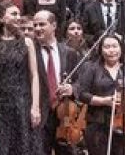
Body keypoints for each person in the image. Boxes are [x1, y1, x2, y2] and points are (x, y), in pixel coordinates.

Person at [0, 2, 43, 155]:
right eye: (13, 14)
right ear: (1, 17)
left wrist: (35, 106)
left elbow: (34, 76)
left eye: (19, 14)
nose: (18, 17)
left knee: (22, 145)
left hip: (21, 102)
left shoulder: (27, 43)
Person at [75, 33, 125, 155]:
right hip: (98, 123)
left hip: (124, 124)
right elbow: (81, 94)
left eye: (115, 46)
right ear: (101, 50)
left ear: (121, 48)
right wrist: (104, 101)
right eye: (107, 47)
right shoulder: (91, 68)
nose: (111, 50)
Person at [34, 10, 81, 155]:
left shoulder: (69, 52)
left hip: (64, 114)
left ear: (54, 25)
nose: (37, 28)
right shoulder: (30, 53)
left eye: (42, 24)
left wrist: (72, 88)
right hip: (40, 115)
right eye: (35, 25)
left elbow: (81, 82)